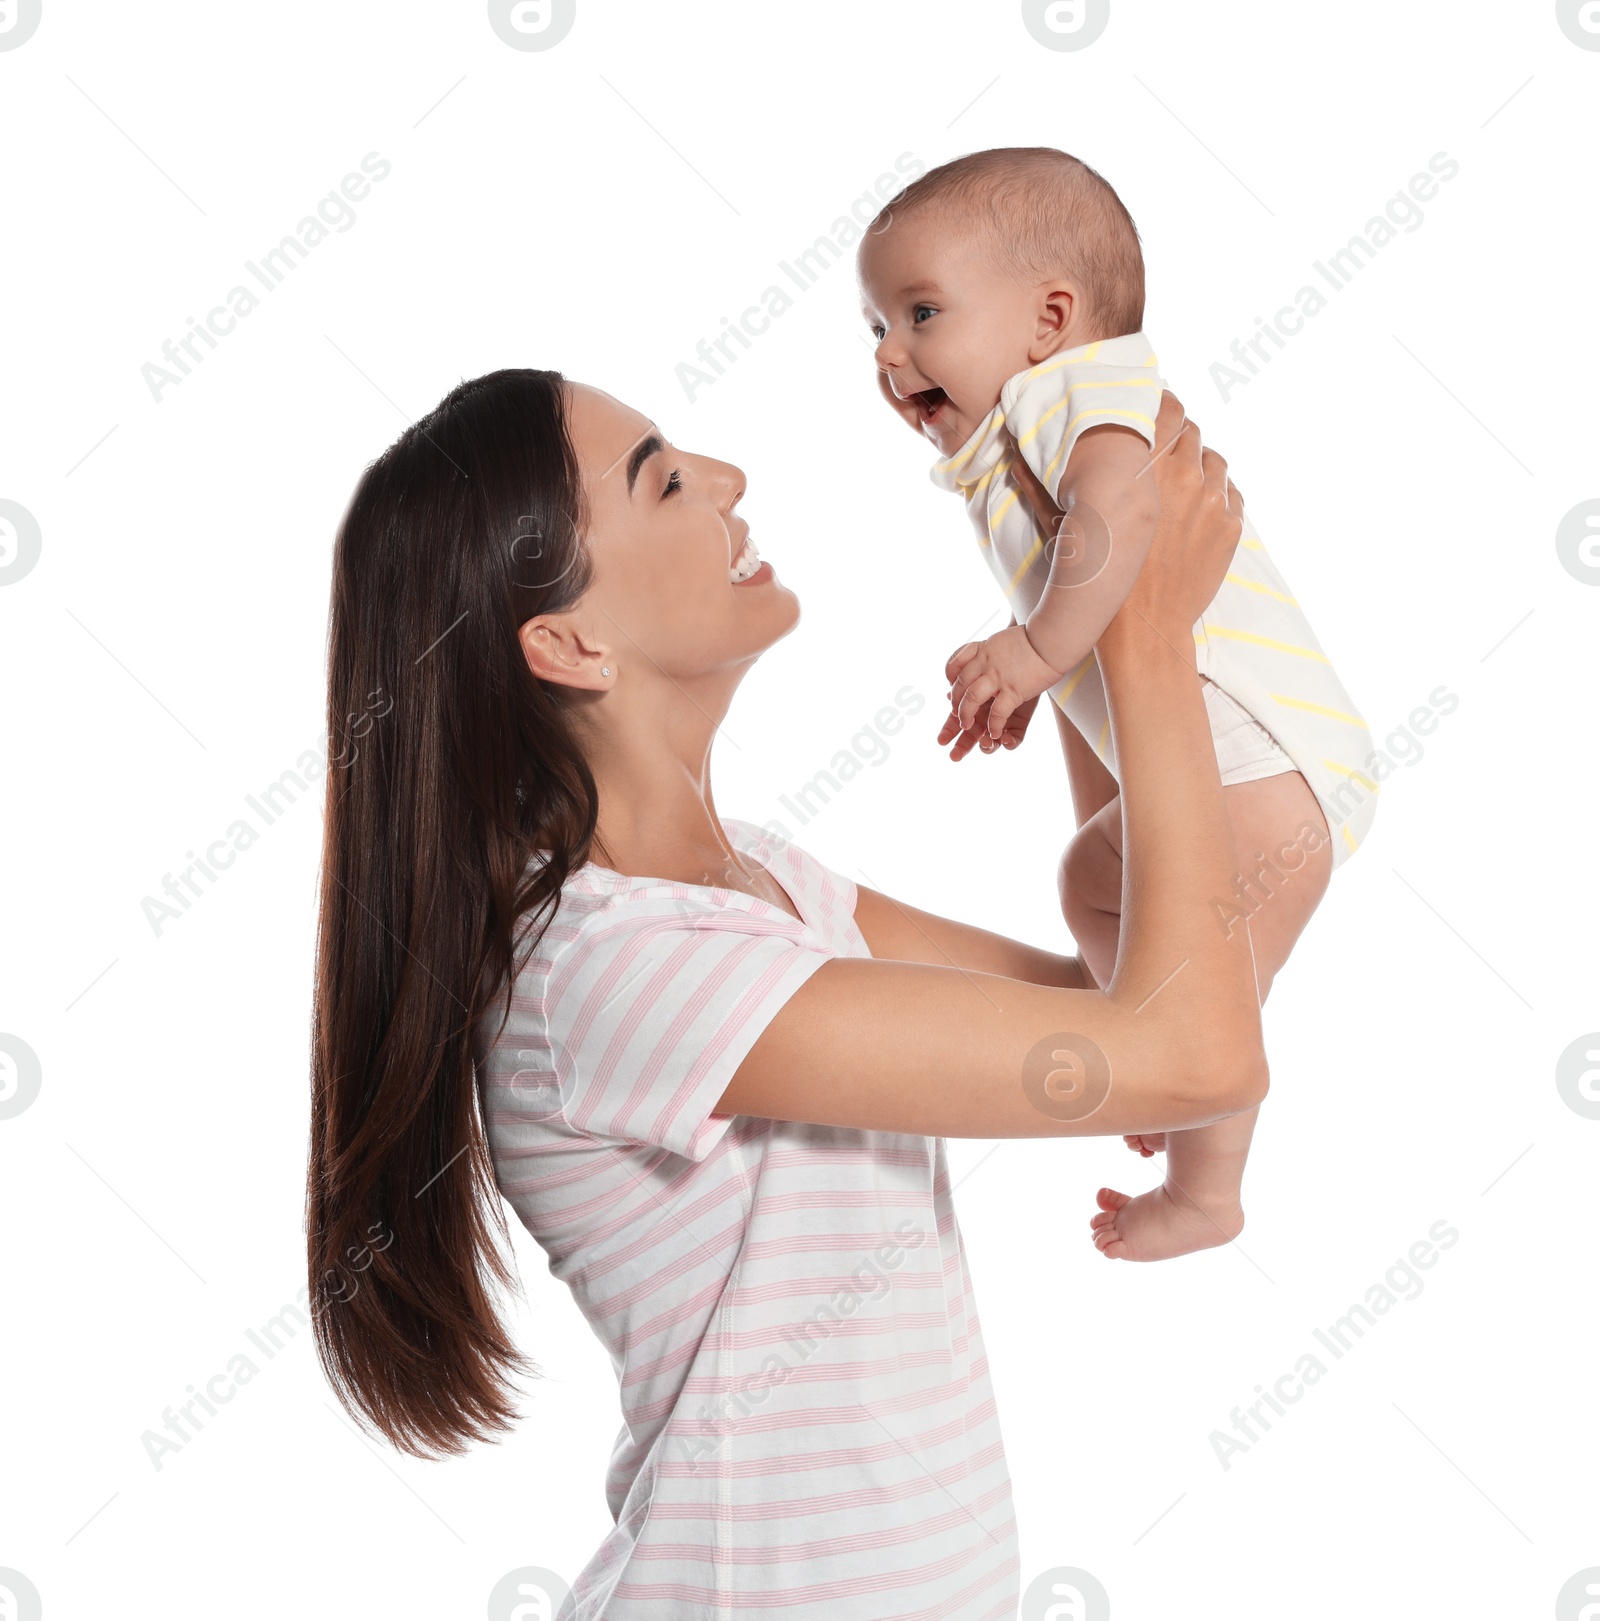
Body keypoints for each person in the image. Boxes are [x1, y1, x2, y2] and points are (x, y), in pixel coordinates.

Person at [307, 367, 1263, 1620]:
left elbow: (1138, 999)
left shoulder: (767, 890)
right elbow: (1182, 1054)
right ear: (571, 643)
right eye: (662, 479)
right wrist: (1149, 641)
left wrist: (1077, 627)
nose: (726, 482)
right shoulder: (609, 964)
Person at [857, 146, 1377, 1260]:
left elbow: (1124, 510)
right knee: (1115, 900)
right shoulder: (1015, 435)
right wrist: (1052, 675)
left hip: (1265, 761)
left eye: (920, 313)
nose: (891, 356)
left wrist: (1037, 647)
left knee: (1158, 947)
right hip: (1252, 769)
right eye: (876, 330)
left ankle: (1201, 1174)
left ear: (1049, 317)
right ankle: (1168, 1054)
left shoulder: (1076, 392)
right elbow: (1112, 645)